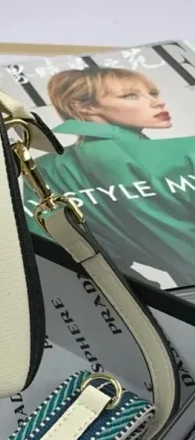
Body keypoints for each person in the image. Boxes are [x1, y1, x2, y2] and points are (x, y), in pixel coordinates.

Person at [24, 67, 195, 288]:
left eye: (153, 93)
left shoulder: (45, 168)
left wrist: (147, 296)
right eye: (130, 95)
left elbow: (52, 248)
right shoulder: (184, 153)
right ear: (84, 107)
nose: (157, 103)